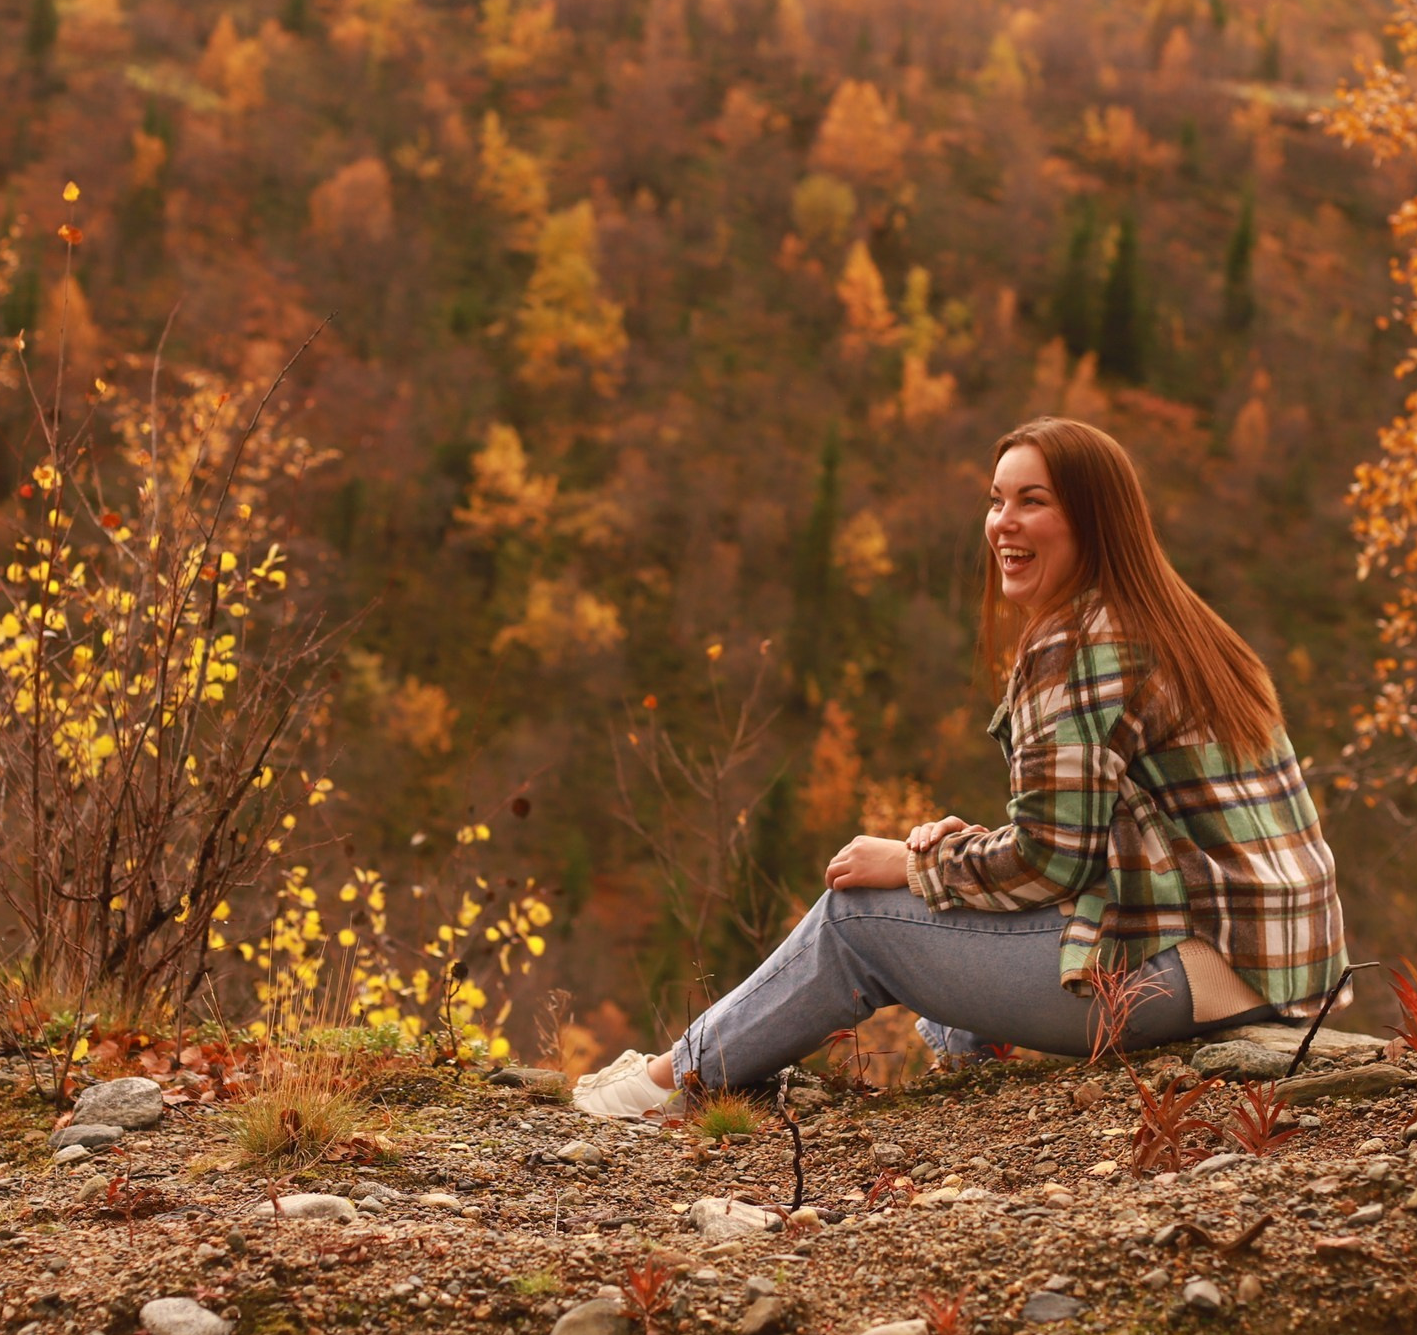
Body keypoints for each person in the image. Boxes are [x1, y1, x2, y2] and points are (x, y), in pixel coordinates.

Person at [574, 416, 1349, 1120]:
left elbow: (1051, 862)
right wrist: (954, 855)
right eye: (996, 499)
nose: (1003, 524)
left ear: (1094, 521)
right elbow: (1109, 842)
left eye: (1033, 502)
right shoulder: (1185, 626)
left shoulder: (1077, 648)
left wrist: (915, 864)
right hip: (1272, 965)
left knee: (857, 920)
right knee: (941, 900)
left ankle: (670, 1082)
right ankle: (968, 1052)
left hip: (1193, 975)